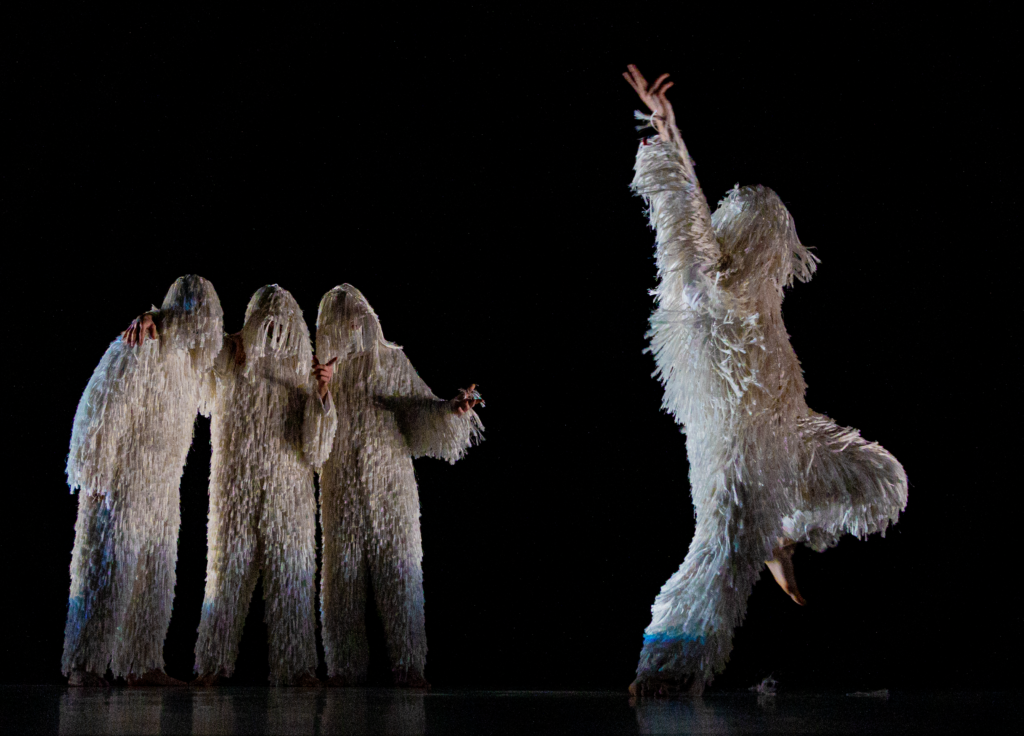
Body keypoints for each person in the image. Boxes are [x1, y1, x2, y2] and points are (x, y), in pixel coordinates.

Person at [623, 65, 908, 696]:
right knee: (721, 556)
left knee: (883, 479)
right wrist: (663, 135)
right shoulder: (701, 287)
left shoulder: (760, 299)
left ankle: (783, 529)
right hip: (737, 453)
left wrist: (674, 136)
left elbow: (695, 204)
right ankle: (666, 666)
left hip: (793, 433)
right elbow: (682, 212)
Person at [315, 284, 483, 688]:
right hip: (341, 484)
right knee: (341, 576)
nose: (353, 323)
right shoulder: (319, 367)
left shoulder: (390, 361)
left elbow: (419, 403)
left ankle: (409, 665)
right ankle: (343, 667)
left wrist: (450, 408)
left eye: (357, 315)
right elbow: (311, 429)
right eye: (344, 317)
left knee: (399, 571)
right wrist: (320, 390)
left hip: (392, 484)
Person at [63, 275, 224, 686]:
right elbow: (101, 404)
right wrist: (95, 473)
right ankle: (85, 664)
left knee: (156, 575)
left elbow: (227, 362)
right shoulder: (139, 345)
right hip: (123, 483)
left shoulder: (191, 367)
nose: (202, 328)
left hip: (163, 488)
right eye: (196, 317)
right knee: (108, 571)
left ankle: (142, 661)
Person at [192, 284, 337, 686]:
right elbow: (197, 343)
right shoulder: (230, 357)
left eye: (282, 326)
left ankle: (298, 667)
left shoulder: (304, 376)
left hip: (288, 498)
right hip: (233, 493)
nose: (274, 334)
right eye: (266, 325)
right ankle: (212, 665)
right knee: (224, 576)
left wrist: (323, 395)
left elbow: (317, 449)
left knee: (291, 579)